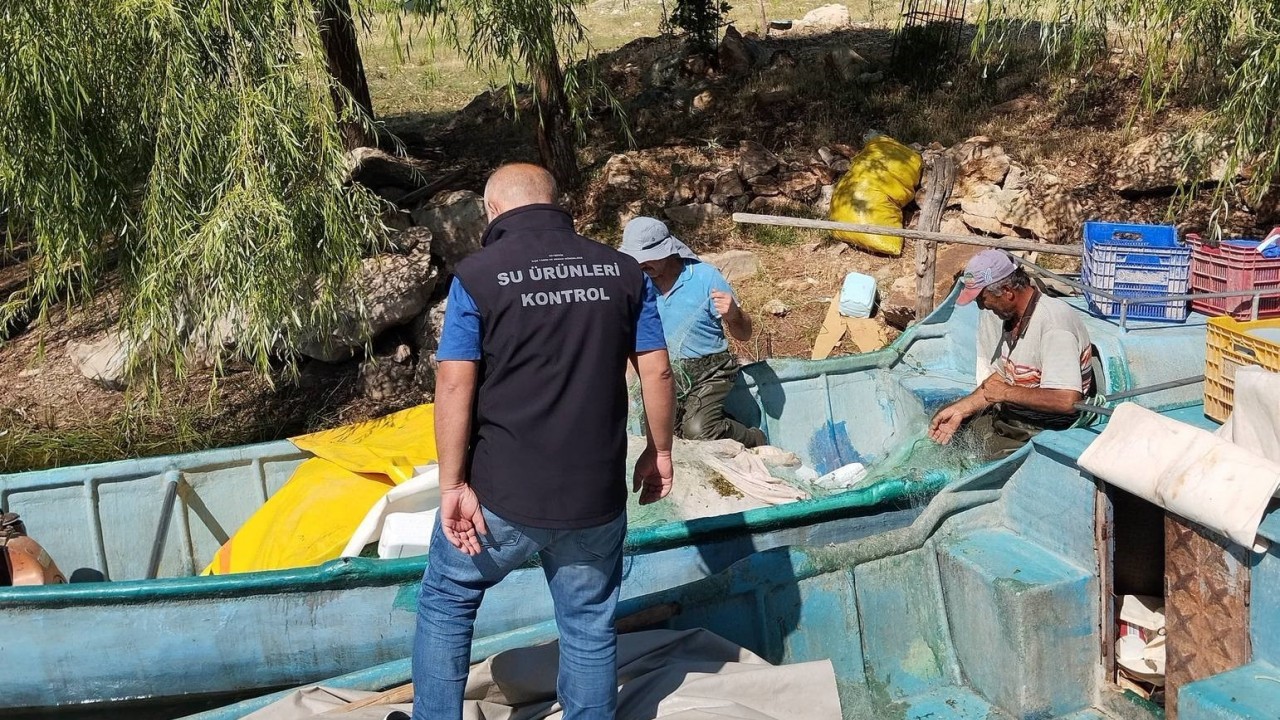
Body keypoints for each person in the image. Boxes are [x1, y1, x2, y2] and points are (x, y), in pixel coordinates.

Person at [412, 163, 676, 720]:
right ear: (559, 205)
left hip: (501, 495)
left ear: (494, 211)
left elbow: (455, 380)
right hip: (594, 496)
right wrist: (661, 451)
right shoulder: (624, 272)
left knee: (447, 599)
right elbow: (656, 372)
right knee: (587, 624)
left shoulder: (479, 275)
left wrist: (453, 484)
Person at [928, 249, 1095, 459]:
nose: (981, 306)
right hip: (1014, 416)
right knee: (946, 418)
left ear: (1007, 291)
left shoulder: (1054, 326)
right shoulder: (1014, 318)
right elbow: (1002, 378)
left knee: (978, 460)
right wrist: (962, 408)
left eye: (982, 298)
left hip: (1042, 428)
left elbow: (1066, 400)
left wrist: (1006, 393)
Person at [618, 216, 766, 448]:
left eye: (648, 260)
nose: (642, 266)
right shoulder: (636, 284)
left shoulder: (705, 277)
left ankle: (754, 438)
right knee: (667, 435)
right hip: (664, 370)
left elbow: (744, 333)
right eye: (637, 261)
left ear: (667, 251)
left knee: (697, 431)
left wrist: (734, 314)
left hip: (712, 370)